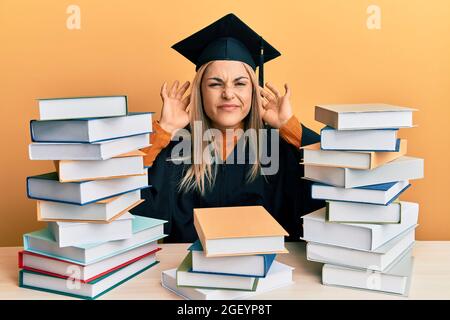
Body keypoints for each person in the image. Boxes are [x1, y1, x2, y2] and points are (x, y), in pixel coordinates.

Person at [131, 13, 324, 243]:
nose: (228, 93)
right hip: (188, 273)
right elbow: (132, 208)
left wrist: (290, 128)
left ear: (254, 90)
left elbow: (336, 186)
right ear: (199, 91)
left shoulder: (278, 146)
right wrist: (163, 132)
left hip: (269, 273)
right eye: (215, 84)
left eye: (240, 83)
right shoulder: (176, 148)